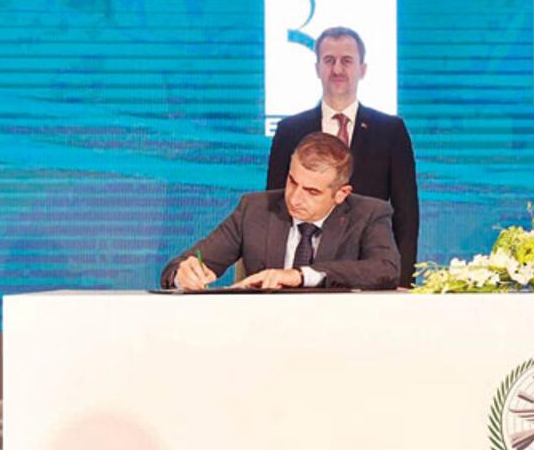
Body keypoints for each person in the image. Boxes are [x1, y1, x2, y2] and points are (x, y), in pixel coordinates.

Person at [266, 26, 419, 287]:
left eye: (347, 61)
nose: (337, 69)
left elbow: (406, 213)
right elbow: (275, 205)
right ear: (317, 68)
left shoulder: (391, 131)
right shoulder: (289, 130)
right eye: (329, 60)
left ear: (363, 69)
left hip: (369, 270)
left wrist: (402, 281)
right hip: (301, 269)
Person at [162, 133, 400, 290]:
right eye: (292, 182)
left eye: (312, 191)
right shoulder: (254, 209)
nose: (295, 198)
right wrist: (183, 276)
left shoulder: (368, 214)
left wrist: (301, 275)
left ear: (341, 194)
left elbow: (386, 269)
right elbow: (174, 269)